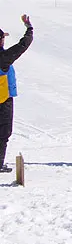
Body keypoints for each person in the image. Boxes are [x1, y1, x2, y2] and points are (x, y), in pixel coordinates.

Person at [0, 14, 33, 173]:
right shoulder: (3, 57)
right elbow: (22, 46)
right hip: (3, 100)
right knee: (3, 132)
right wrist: (29, 29)